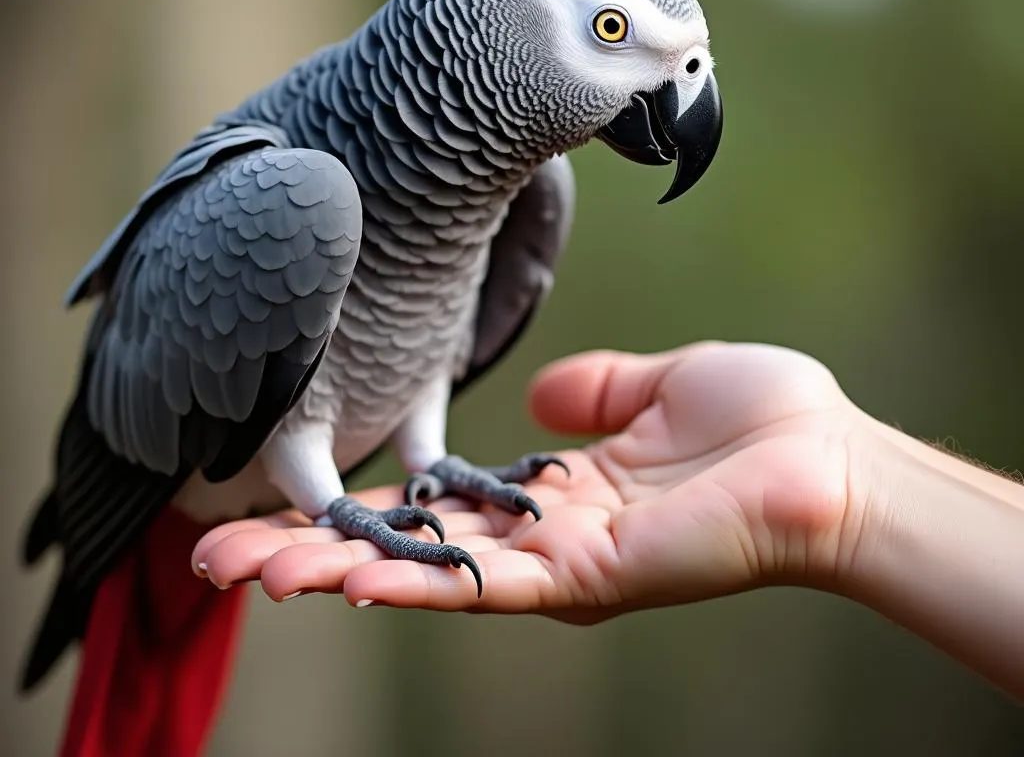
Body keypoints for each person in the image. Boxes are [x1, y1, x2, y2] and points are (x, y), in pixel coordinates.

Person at [192, 341, 1024, 700]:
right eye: (613, 31)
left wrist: (848, 476)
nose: (690, 86)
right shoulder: (303, 186)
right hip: (219, 473)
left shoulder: (515, 192)